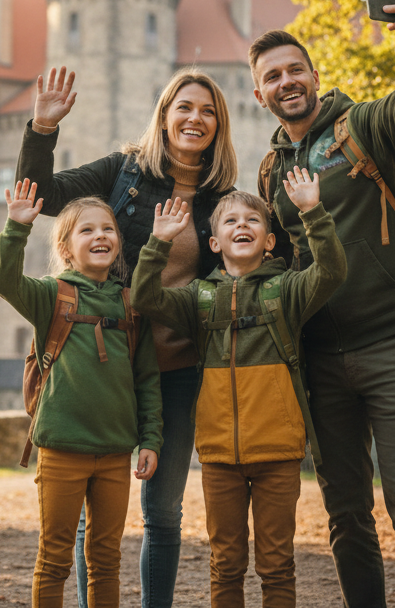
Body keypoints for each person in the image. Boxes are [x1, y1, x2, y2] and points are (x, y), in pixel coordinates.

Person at [249, 0, 395, 607]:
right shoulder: (269, 172)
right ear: (260, 95)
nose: (286, 82)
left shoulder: (363, 126)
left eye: (294, 70)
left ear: (315, 77)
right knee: (345, 513)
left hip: (394, 343)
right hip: (321, 361)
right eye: (272, 78)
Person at [16, 67, 238, 608]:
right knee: (99, 515)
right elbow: (43, 197)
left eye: (208, 111)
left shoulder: (221, 198)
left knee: (163, 514)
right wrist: (42, 130)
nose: (195, 118)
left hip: (182, 366)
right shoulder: (125, 172)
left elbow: (236, 267)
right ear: (164, 116)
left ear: (219, 126)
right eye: (184, 107)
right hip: (112, 358)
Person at [130, 175, 347, 608]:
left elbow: (331, 271)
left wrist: (312, 212)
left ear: (269, 241)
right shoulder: (199, 298)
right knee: (225, 563)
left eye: (252, 220)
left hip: (278, 452)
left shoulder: (286, 289)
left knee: (277, 565)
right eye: (229, 221)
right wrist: (159, 242)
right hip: (219, 458)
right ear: (214, 243)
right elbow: (145, 296)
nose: (241, 225)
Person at [0, 181, 163, 608]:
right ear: (67, 248)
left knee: (106, 560)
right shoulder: (51, 295)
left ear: (119, 242)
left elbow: (146, 379)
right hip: (61, 450)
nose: (100, 236)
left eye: (107, 229)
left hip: (114, 454)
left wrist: (152, 440)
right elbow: (6, 282)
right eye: (86, 231)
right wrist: (16, 227)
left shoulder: (130, 305)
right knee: (53, 560)